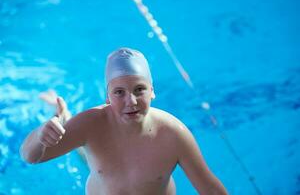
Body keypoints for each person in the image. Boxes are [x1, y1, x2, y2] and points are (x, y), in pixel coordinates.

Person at [20, 47, 228, 195]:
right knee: (89, 156)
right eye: (119, 92)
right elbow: (31, 156)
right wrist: (41, 136)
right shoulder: (92, 124)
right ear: (107, 97)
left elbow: (211, 189)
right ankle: (64, 116)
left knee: (94, 157)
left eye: (139, 89)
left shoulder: (173, 134)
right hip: (96, 144)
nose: (131, 101)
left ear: (152, 92)